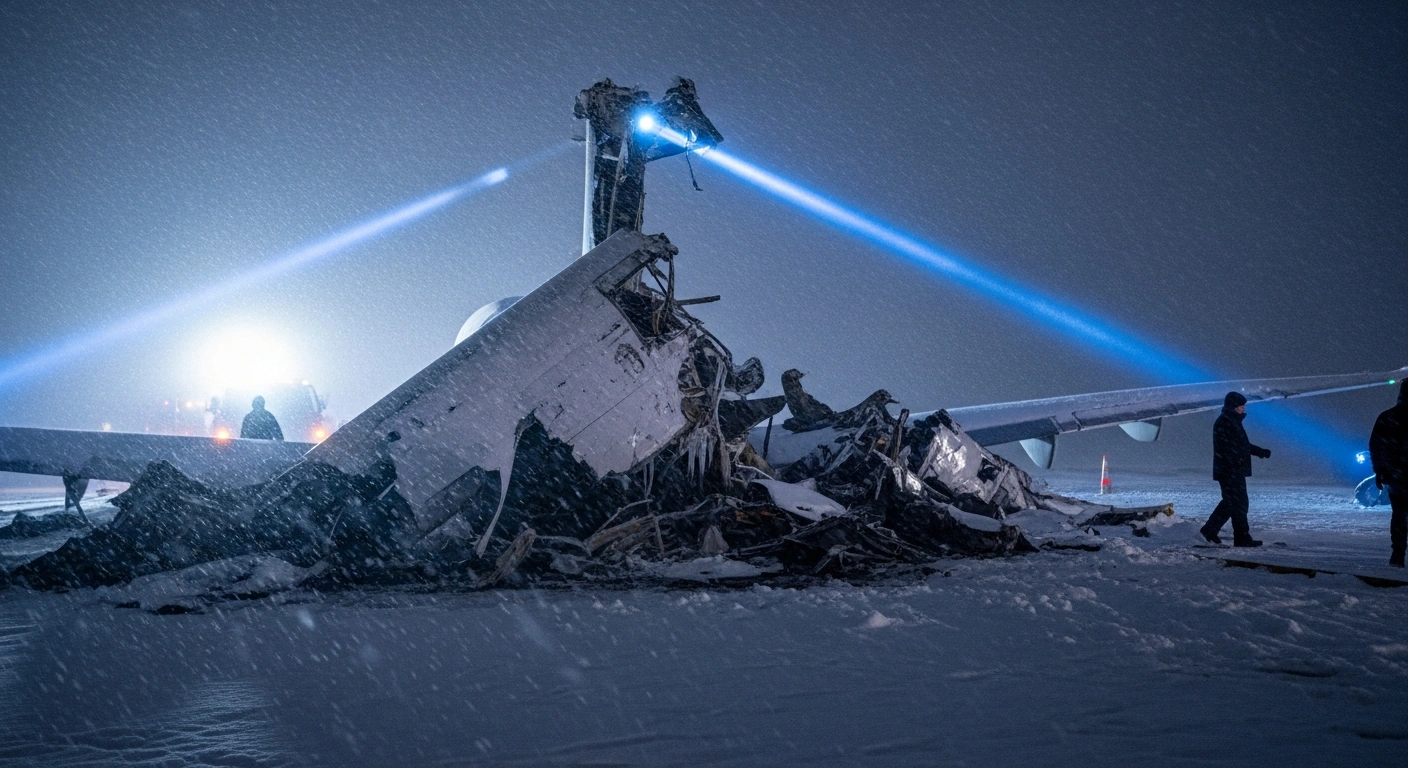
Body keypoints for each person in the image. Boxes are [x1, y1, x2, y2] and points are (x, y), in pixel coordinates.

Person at [1200, 391, 1271, 547]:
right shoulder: (1226, 422)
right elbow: (1235, 448)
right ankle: (1241, 537)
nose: (1242, 408)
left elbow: (1240, 446)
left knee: (1231, 503)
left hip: (1231, 470)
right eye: (1240, 406)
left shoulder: (1231, 422)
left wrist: (1258, 452)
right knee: (1238, 504)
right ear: (1233, 406)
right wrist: (1254, 453)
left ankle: (1211, 530)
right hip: (1230, 471)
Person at [1369, 381, 1408, 567]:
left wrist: (1380, 470)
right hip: (1398, 474)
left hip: (1396, 476)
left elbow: (1376, 446)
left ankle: (1398, 554)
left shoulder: (1387, 417)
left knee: (1399, 514)